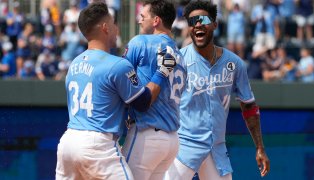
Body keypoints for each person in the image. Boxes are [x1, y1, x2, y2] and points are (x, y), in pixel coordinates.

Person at [55, 2, 176, 179]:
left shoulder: (74, 64)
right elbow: (142, 103)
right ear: (105, 27)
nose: (116, 28)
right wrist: (161, 72)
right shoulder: (117, 65)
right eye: (113, 23)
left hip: (68, 142)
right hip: (98, 145)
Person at [165, 1, 270, 179]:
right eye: (192, 21)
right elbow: (162, 102)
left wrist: (260, 147)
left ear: (215, 24)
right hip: (185, 145)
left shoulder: (234, 63)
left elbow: (249, 106)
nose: (197, 24)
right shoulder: (178, 60)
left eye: (203, 19)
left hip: (217, 148)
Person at [121, 0, 186, 179]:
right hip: (171, 141)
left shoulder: (141, 42)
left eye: (143, 16)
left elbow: (119, 80)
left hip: (147, 134)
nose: (139, 20)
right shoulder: (180, 55)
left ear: (156, 20)